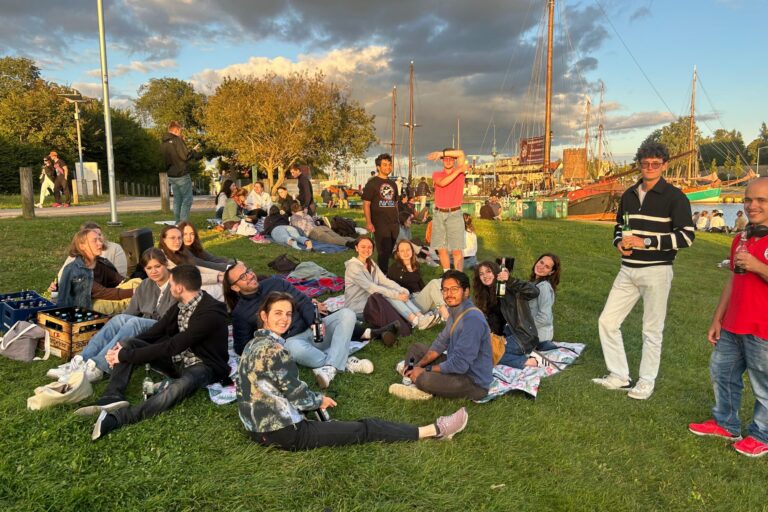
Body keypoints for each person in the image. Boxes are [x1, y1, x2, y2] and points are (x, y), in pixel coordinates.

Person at [236, 291, 468, 450]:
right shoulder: (277, 351)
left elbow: (273, 389)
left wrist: (314, 401)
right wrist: (319, 400)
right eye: (278, 313)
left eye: (288, 314)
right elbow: (299, 397)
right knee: (365, 428)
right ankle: (434, 430)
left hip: (255, 428)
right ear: (264, 316)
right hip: (283, 432)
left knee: (323, 415)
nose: (285, 319)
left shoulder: (252, 345)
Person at [593, 141, 695, 400]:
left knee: (652, 329)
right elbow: (620, 226)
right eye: (645, 163)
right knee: (607, 321)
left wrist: (646, 241)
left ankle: (646, 380)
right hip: (628, 269)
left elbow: (686, 237)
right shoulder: (629, 194)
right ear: (639, 164)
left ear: (664, 165)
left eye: (655, 164)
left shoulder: (675, 197)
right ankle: (619, 375)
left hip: (657, 270)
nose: (650, 167)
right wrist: (619, 243)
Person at [81, 265, 230, 441]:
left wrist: (125, 356)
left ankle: (119, 418)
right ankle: (112, 396)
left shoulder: (210, 313)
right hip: (177, 360)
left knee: (179, 387)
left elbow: (172, 346)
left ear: (179, 288)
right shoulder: (182, 304)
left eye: (171, 284)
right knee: (128, 343)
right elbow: (157, 330)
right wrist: (123, 349)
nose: (169, 288)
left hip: (203, 365)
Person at [688, 178, 768, 457]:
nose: (752, 205)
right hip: (734, 324)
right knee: (722, 373)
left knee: (763, 384)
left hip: (762, 328)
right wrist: (717, 318)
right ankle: (726, 423)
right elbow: (733, 281)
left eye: (761, 200)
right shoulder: (741, 239)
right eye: (748, 199)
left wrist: (758, 266)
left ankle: (762, 434)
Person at [223, 261, 384, 389]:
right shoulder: (241, 313)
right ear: (235, 287)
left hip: (312, 330)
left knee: (347, 314)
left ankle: (331, 366)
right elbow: (242, 347)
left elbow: (302, 300)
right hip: (293, 342)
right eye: (243, 276)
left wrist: (314, 322)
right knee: (293, 348)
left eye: (248, 271)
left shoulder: (275, 283)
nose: (250, 276)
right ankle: (343, 362)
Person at [58, 248, 177, 376]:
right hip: (147, 325)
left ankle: (99, 366)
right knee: (119, 318)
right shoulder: (145, 285)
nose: (153, 271)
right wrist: (120, 322)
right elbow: (129, 312)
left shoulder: (177, 284)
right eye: (149, 268)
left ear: (166, 264)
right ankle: (82, 359)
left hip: (165, 327)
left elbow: (169, 319)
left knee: (134, 323)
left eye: (158, 266)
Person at [390, 270, 493, 401]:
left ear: (466, 291)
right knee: (416, 349)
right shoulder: (454, 311)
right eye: (445, 290)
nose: (449, 294)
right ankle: (412, 376)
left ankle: (419, 384)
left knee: (425, 378)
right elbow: (440, 343)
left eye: (454, 289)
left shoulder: (472, 320)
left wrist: (425, 370)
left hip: (472, 381)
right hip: (454, 365)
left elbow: (460, 365)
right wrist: (419, 365)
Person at [344, 237, 437, 331]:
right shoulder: (353, 267)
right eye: (363, 247)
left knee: (394, 293)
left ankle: (420, 316)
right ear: (356, 248)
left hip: (373, 301)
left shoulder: (371, 263)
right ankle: (415, 321)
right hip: (359, 308)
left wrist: (401, 290)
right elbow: (371, 288)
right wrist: (396, 295)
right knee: (390, 295)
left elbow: (384, 280)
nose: (366, 250)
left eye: (369, 247)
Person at [56, 228, 137, 314]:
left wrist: (138, 287)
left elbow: (120, 280)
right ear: (82, 246)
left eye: (100, 240)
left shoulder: (101, 263)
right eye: (95, 241)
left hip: (104, 298)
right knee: (132, 300)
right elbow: (102, 292)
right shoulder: (75, 270)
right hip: (85, 308)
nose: (100, 243)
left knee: (136, 281)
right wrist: (135, 292)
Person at [157, 225, 225, 300]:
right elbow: (186, 278)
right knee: (220, 288)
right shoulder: (163, 258)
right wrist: (217, 277)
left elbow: (195, 268)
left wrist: (219, 273)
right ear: (164, 239)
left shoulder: (179, 253)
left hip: (189, 284)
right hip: (177, 291)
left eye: (179, 238)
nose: (177, 241)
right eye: (172, 238)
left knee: (223, 285)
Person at [428, 148, 468, 272]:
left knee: (456, 250)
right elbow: (442, 183)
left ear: (455, 160)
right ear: (442, 161)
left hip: (455, 213)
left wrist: (441, 153)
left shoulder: (460, 172)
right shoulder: (437, 174)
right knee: (441, 248)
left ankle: (458, 277)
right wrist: (459, 170)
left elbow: (461, 153)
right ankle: (447, 273)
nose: (448, 161)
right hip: (439, 213)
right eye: (445, 159)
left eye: (451, 159)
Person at [388, 240, 448, 321]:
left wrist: (429, 292)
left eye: (408, 250)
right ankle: (444, 313)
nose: (405, 253)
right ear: (398, 253)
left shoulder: (415, 265)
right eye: (402, 251)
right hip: (412, 303)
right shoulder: (394, 268)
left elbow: (421, 284)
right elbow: (391, 288)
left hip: (421, 298)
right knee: (434, 283)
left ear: (412, 251)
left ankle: (439, 310)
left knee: (440, 283)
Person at [363, 154, 400, 272]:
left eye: (389, 164)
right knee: (383, 250)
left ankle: (382, 271)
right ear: (378, 167)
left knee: (389, 250)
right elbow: (366, 204)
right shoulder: (372, 183)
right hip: (380, 223)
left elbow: (395, 203)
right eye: (385, 165)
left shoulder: (393, 184)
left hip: (394, 223)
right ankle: (383, 275)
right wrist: (369, 222)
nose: (388, 167)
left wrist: (398, 219)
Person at [57, 222, 128, 279]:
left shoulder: (103, 262)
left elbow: (119, 277)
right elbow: (61, 276)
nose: (99, 241)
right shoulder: (77, 265)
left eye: (99, 235)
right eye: (94, 239)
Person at [161, 121, 200, 223]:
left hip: (171, 174)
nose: (181, 133)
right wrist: (194, 151)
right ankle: (183, 223)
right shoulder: (177, 140)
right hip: (182, 174)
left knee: (177, 199)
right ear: (176, 130)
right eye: (180, 131)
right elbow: (185, 157)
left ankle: (178, 222)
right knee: (187, 199)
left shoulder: (164, 143)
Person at [289, 202, 355, 248]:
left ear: (292, 212)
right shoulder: (306, 215)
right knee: (338, 237)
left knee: (330, 240)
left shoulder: (293, 217)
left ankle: (349, 244)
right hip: (321, 227)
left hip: (313, 232)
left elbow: (299, 230)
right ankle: (355, 241)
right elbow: (313, 221)